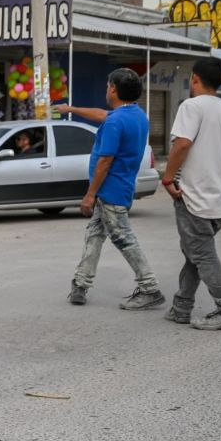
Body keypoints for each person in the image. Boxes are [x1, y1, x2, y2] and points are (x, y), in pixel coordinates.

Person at [56, 69, 164, 310]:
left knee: (124, 239)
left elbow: (105, 162)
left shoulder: (116, 121)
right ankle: (81, 285)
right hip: (118, 189)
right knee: (94, 235)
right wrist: (71, 110)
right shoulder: (136, 115)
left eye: (107, 86)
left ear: (113, 88)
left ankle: (150, 288)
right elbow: (102, 115)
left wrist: (90, 194)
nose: (106, 89)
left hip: (110, 191)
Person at [161, 58, 221, 331]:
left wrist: (168, 177)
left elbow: (182, 144)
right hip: (219, 197)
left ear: (194, 78)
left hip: (194, 196)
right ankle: (182, 306)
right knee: (195, 254)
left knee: (203, 255)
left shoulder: (191, 106)